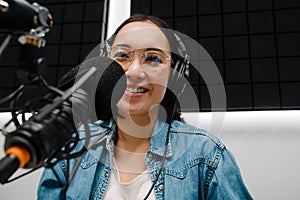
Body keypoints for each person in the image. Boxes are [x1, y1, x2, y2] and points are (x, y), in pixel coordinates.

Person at [37, 14, 253, 199]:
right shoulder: (71, 149)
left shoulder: (207, 154)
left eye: (152, 58)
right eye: (122, 56)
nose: (134, 72)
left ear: (174, 76)